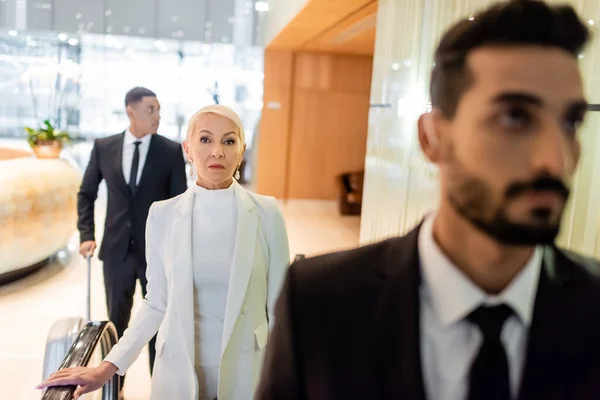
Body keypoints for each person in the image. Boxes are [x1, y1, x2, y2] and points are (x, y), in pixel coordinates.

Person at [256, 1, 600, 400]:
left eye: (570, 122)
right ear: (431, 137)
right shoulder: (321, 303)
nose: (555, 159)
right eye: (515, 117)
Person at [38, 104, 291, 400]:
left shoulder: (266, 213)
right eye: (206, 139)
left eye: (229, 141)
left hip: (248, 369)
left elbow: (280, 307)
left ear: (242, 150)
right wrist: (108, 367)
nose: (217, 152)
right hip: (180, 371)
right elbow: (156, 303)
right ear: (187, 148)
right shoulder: (163, 215)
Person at [76, 87, 187, 380]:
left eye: (159, 110)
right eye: (151, 109)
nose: (157, 116)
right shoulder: (104, 147)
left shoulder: (171, 151)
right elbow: (86, 193)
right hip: (116, 252)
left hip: (157, 254)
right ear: (131, 111)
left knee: (158, 323)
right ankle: (115, 387)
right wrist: (86, 233)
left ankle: (159, 386)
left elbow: (181, 204)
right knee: (117, 323)